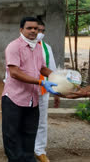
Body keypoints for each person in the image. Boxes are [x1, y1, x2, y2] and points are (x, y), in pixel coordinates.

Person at [2, 17, 59, 162]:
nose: (33, 31)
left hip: (32, 99)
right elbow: (14, 72)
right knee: (12, 135)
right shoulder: (14, 46)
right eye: (29, 28)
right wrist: (41, 82)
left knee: (29, 134)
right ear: (21, 30)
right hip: (14, 98)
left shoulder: (38, 47)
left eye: (36, 28)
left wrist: (59, 78)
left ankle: (28, 159)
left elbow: (42, 68)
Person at [34, 20, 57, 162]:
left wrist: (56, 90)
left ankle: (39, 150)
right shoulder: (18, 46)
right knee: (22, 120)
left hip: (43, 90)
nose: (40, 33)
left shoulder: (46, 48)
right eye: (38, 30)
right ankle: (20, 149)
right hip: (24, 91)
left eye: (43, 31)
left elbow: (52, 70)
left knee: (41, 121)